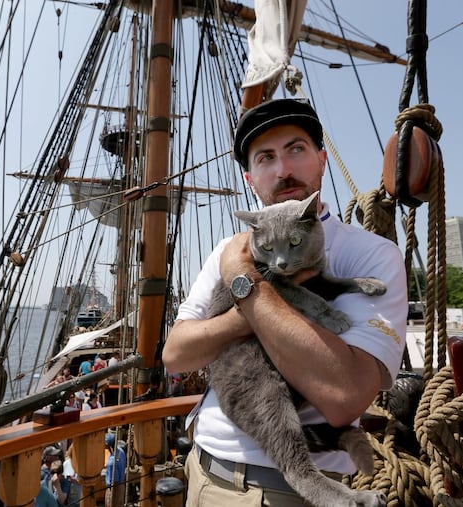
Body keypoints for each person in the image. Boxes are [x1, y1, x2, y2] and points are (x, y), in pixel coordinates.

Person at [162, 98, 408, 506]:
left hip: (291, 489)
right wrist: (246, 310)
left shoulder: (372, 253)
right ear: (250, 178)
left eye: (296, 149)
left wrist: (246, 282)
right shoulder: (229, 249)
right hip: (203, 471)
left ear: (322, 158)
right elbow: (175, 355)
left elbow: (344, 397)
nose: (283, 169)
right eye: (265, 158)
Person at [104, 433, 126, 507]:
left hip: (114, 490)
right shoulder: (121, 451)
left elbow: (114, 482)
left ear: (108, 446)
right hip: (121, 487)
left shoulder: (111, 463)